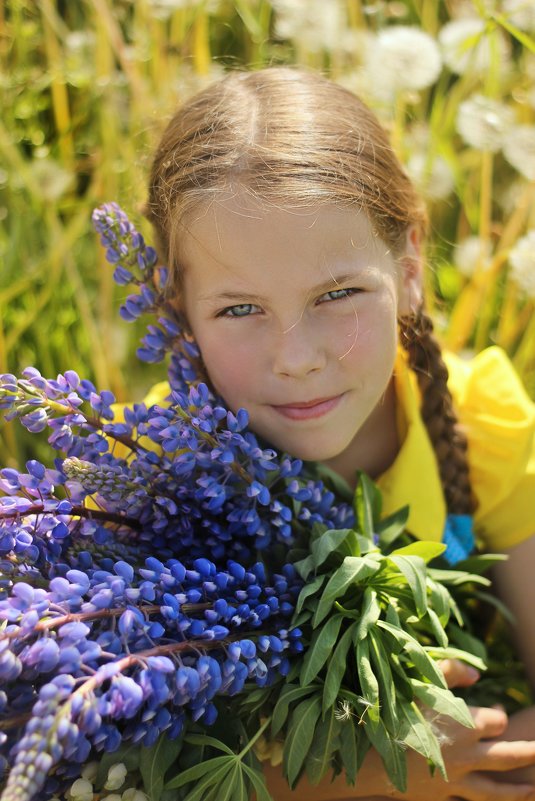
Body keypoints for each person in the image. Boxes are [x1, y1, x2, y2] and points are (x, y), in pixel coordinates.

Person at [140, 66, 535, 800]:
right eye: (238, 309)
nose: (296, 357)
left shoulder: (482, 418)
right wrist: (386, 768)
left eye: (337, 294)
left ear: (409, 265)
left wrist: (488, 745)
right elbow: (145, 769)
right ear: (177, 307)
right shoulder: (158, 466)